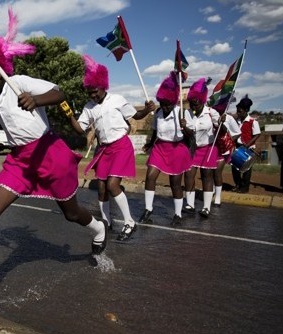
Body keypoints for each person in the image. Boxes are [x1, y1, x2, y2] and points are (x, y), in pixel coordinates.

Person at [0, 9, 107, 301]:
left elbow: (59, 93)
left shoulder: (20, 82)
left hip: (48, 153)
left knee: (71, 213)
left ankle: (97, 227)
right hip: (20, 160)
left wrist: (36, 99)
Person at [66, 55, 154, 240]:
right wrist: (68, 115)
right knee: (101, 189)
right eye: (89, 92)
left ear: (103, 85)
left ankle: (129, 222)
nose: (93, 95)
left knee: (113, 185)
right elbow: (80, 129)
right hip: (104, 150)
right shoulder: (89, 107)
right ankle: (106, 222)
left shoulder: (117, 99)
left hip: (121, 146)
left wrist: (147, 110)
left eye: (95, 91)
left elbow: (135, 115)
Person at [139, 72, 194, 226]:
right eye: (162, 103)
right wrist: (150, 143)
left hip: (177, 149)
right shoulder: (158, 113)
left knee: (175, 184)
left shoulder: (181, 112)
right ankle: (148, 209)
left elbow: (191, 133)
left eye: (167, 104)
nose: (165, 107)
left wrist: (185, 127)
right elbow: (155, 131)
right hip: (160, 148)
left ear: (173, 101)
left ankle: (178, 214)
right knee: (150, 176)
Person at [183, 78, 220, 218]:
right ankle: (190, 204)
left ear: (202, 100)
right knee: (189, 175)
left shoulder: (212, 113)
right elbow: (187, 133)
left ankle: (206, 207)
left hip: (208, 148)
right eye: (192, 103)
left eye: (196, 103)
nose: (194, 106)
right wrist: (184, 126)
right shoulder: (187, 113)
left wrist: (221, 123)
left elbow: (222, 131)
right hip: (192, 148)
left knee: (207, 177)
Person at [231, 95, 261, 194]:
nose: (238, 113)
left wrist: (247, 145)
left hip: (248, 148)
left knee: (246, 169)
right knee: (235, 167)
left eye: (240, 111)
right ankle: (238, 184)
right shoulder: (236, 121)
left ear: (246, 110)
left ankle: (244, 188)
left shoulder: (253, 122)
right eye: (237, 111)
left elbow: (257, 135)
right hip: (238, 147)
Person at [212, 111, 241, 207]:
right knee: (211, 172)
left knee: (217, 172)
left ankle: (217, 197)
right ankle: (211, 191)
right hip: (211, 148)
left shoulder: (229, 118)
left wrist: (229, 140)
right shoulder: (209, 115)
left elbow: (237, 132)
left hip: (223, 149)